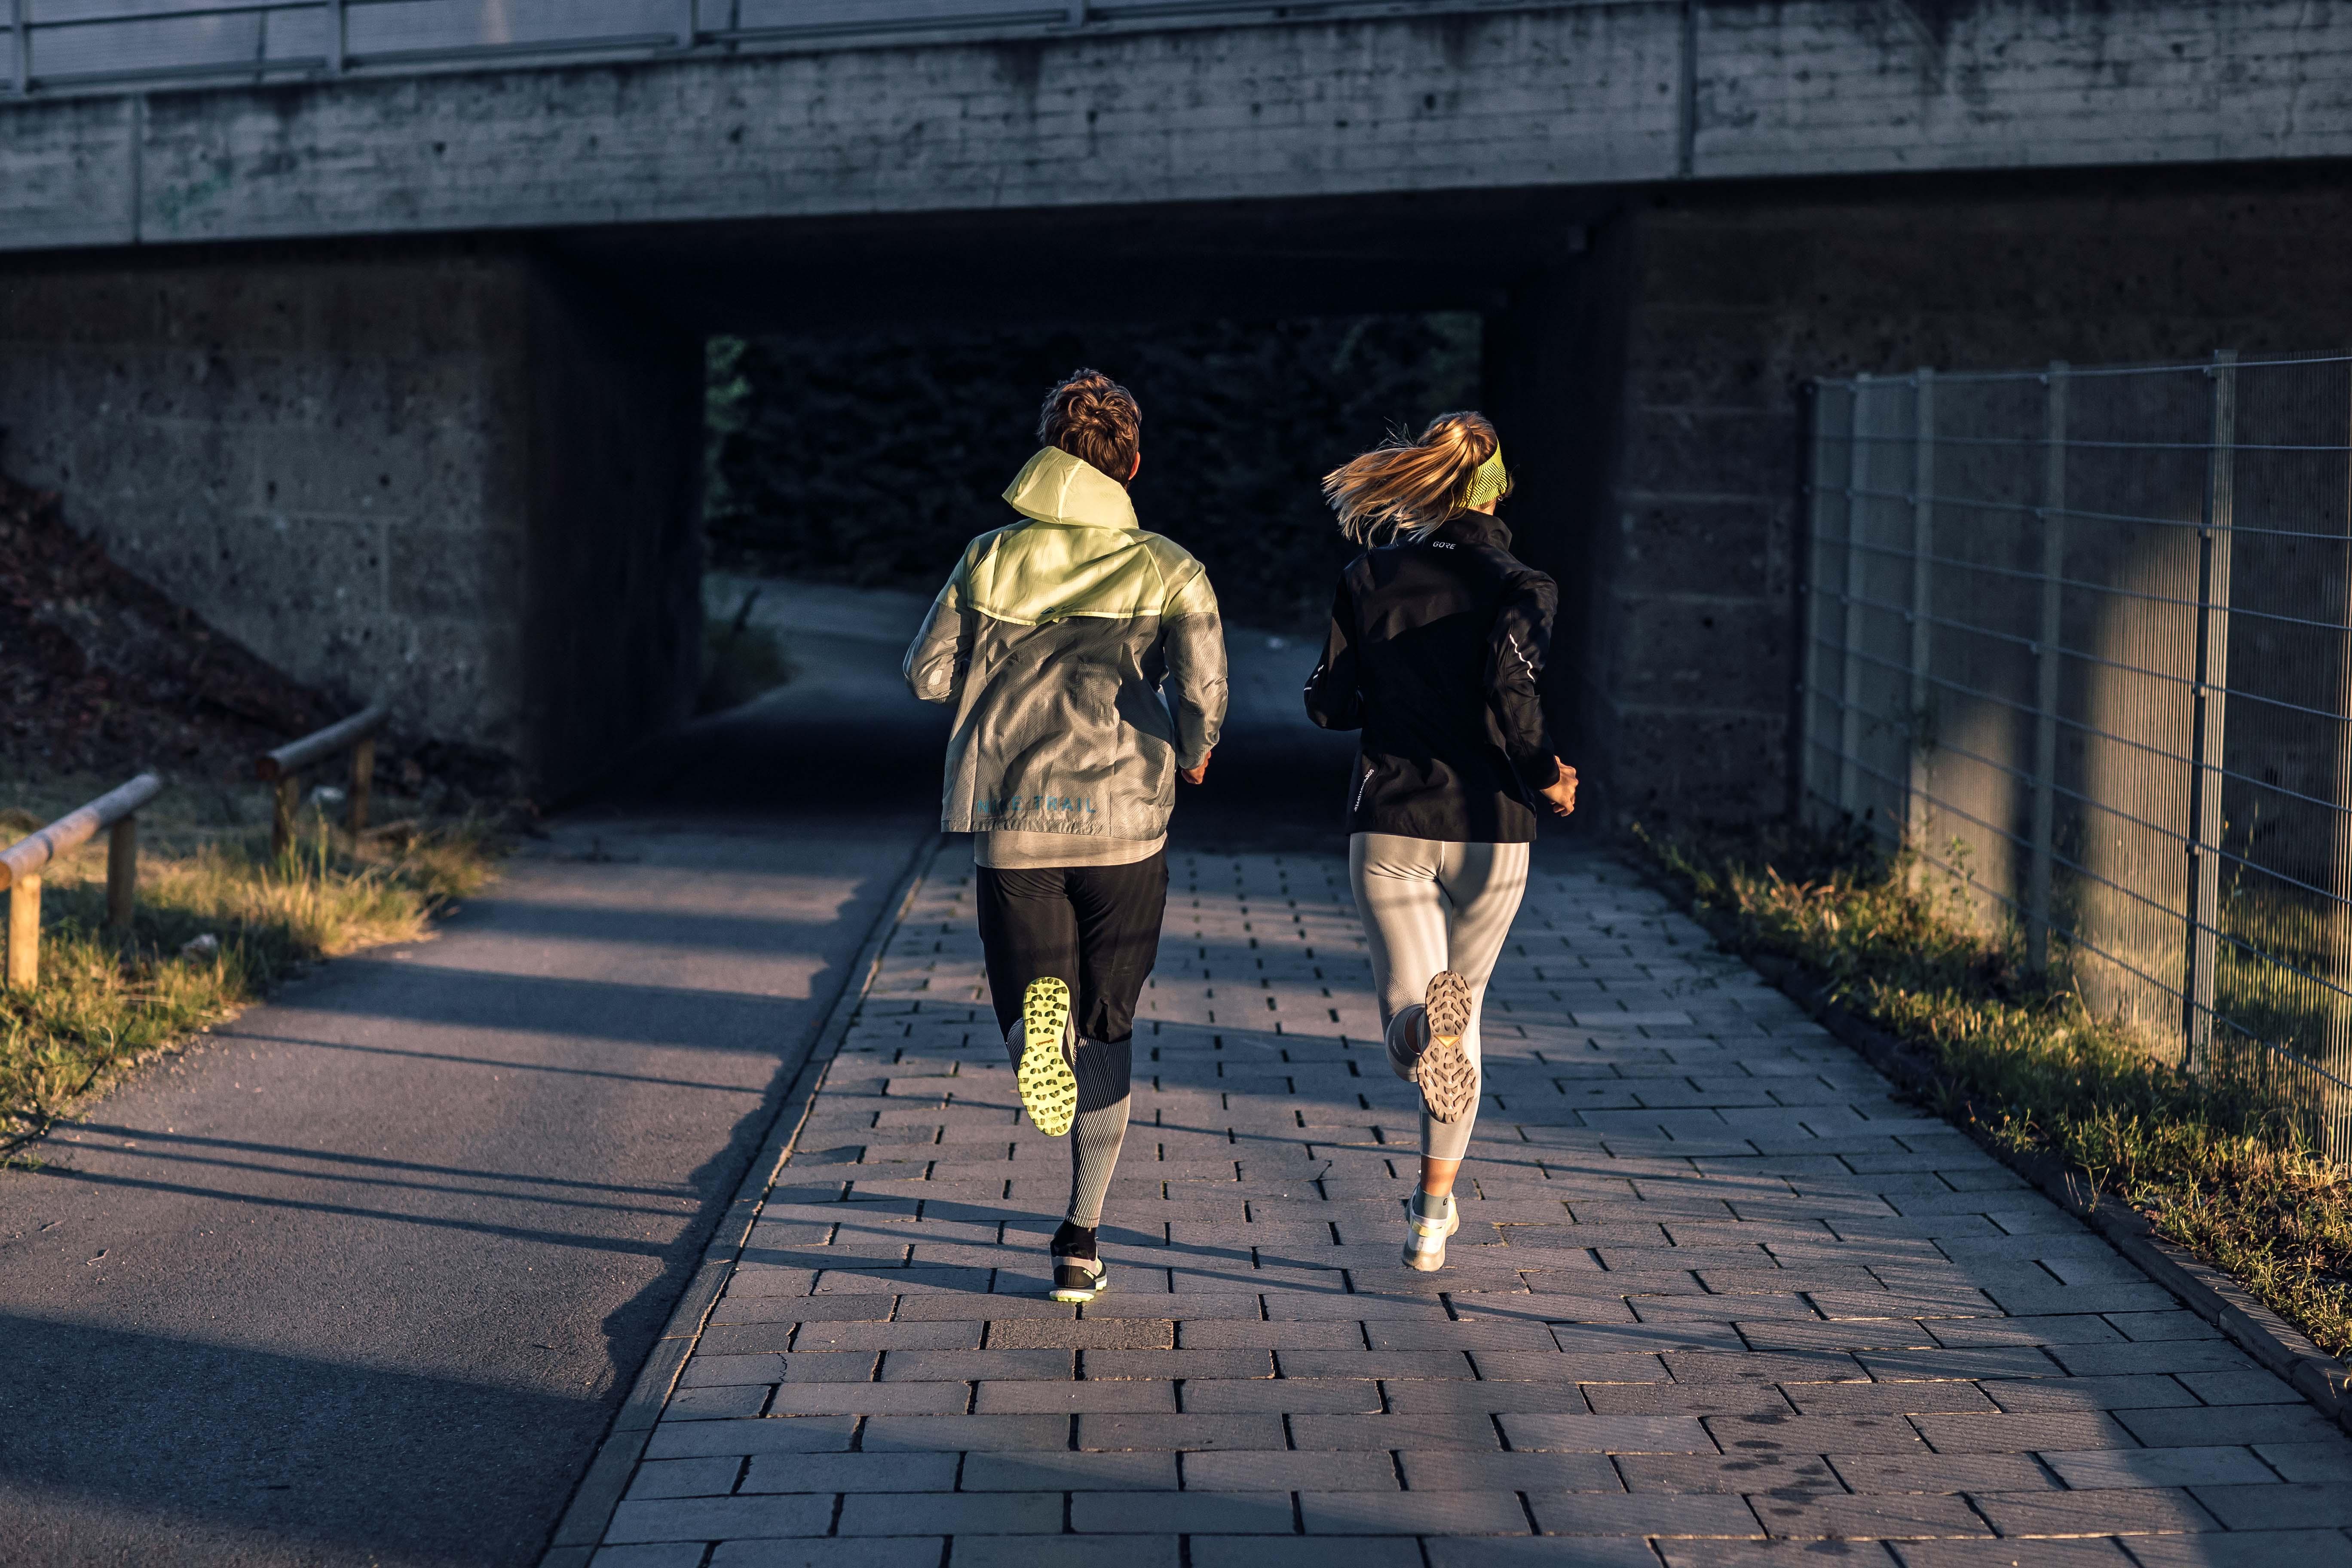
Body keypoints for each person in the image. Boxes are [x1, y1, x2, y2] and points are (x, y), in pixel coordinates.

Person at [903, 368, 1227, 1303]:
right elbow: (1202, 690)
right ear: (1131, 461)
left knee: (1034, 1010)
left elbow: (928, 676)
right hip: (1127, 826)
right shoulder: (1168, 566)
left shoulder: (989, 557)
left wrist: (995, 670)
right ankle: (1081, 1240)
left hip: (1015, 824)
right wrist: (1197, 750)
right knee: (1111, 1029)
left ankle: (1032, 1040)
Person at [1304, 411, 1577, 1272]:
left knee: (1416, 1022)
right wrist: (1548, 774)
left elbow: (1328, 704)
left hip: (1392, 822)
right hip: (1494, 829)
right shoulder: (1523, 584)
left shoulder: (1369, 574)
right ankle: (1431, 1217)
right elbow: (1511, 687)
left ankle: (1422, 1027)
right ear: (1499, 492)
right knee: (1471, 1028)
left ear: (1425, 480)